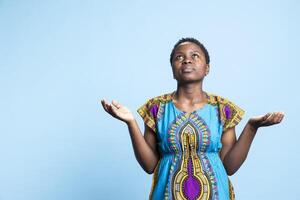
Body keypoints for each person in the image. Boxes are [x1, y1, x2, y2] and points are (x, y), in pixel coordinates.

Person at [101, 37, 284, 200]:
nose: (187, 59)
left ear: (207, 69)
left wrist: (252, 127)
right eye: (179, 57)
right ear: (172, 69)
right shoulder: (156, 108)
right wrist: (130, 122)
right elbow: (149, 166)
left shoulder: (223, 109)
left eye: (195, 55)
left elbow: (229, 166)